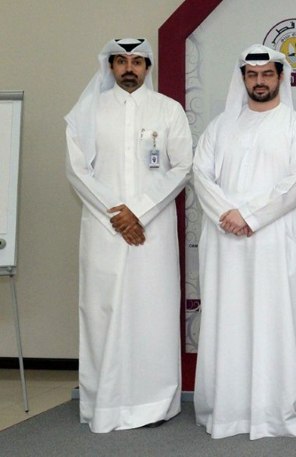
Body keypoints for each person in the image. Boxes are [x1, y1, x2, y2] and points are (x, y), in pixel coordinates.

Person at [192, 45, 296, 439]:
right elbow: (201, 175)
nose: (260, 81)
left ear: (281, 76)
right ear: (243, 78)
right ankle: (229, 408)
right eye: (252, 74)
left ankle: (278, 406)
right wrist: (230, 215)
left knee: (278, 321)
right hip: (226, 241)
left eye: (267, 74)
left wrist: (249, 216)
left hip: (276, 242)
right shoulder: (220, 127)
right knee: (229, 320)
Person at [66, 38, 191, 432]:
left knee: (152, 312)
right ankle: (104, 403)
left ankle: (154, 404)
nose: (129, 68)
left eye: (137, 61)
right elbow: (77, 170)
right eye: (121, 61)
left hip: (152, 231)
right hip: (104, 230)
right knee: (103, 312)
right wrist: (117, 214)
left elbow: (182, 167)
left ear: (148, 67)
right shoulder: (86, 111)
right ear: (110, 66)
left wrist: (138, 210)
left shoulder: (169, 110)